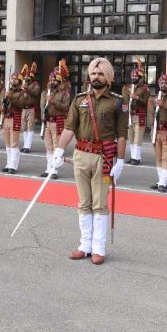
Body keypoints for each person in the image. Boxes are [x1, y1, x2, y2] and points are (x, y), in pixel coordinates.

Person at [52, 57, 127, 265]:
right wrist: (59, 150)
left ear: (109, 77)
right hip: (81, 156)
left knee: (99, 204)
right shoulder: (79, 100)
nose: (96, 77)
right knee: (84, 202)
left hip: (104, 159)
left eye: (101, 74)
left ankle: (98, 248)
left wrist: (120, 161)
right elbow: (69, 128)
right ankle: (85, 245)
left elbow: (122, 134)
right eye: (93, 73)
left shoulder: (118, 102)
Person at [40, 59, 71, 179]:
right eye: (50, 80)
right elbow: (43, 106)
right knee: (48, 146)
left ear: (59, 81)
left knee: (56, 146)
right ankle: (48, 168)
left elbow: (66, 107)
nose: (52, 82)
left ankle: (54, 170)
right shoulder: (46, 92)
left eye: (54, 80)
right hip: (47, 121)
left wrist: (53, 102)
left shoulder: (64, 93)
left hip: (58, 121)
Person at [2, 65, 30, 174]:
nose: (13, 80)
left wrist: (11, 97)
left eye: (15, 79)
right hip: (7, 117)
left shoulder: (22, 92)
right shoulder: (8, 90)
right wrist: (4, 101)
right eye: (12, 78)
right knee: (7, 143)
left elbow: (21, 104)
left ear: (19, 81)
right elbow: (4, 105)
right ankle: (8, 163)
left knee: (14, 143)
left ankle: (13, 165)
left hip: (15, 118)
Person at [122, 59, 150, 165]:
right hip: (129, 114)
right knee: (131, 136)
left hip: (139, 114)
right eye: (133, 76)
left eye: (136, 76)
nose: (134, 77)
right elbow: (124, 100)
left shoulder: (144, 88)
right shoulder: (126, 87)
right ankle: (134, 156)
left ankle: (136, 157)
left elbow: (146, 101)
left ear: (140, 77)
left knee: (138, 137)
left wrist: (137, 97)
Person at [20, 62, 41, 153]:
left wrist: (27, 88)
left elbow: (36, 93)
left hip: (31, 108)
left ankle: (28, 146)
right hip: (23, 108)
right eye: (26, 77)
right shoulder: (23, 84)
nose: (26, 78)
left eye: (28, 76)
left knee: (30, 127)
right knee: (24, 127)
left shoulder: (35, 84)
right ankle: (25, 145)